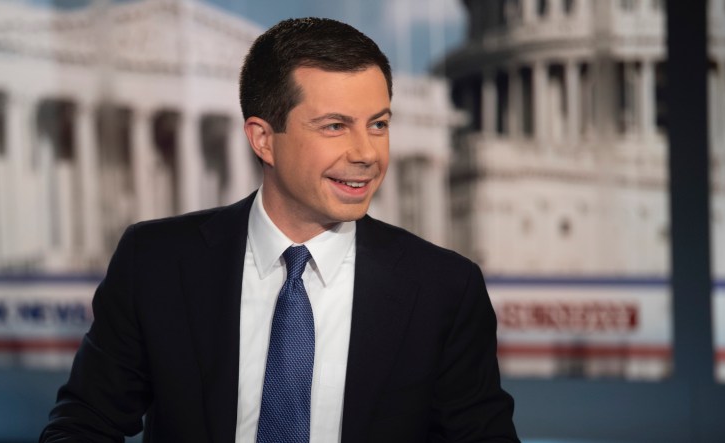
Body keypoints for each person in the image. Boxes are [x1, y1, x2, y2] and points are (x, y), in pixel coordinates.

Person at [40, 17, 519, 443]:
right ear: (263, 139)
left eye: (378, 124)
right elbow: (84, 422)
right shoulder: (156, 262)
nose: (367, 153)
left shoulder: (445, 289)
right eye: (335, 126)